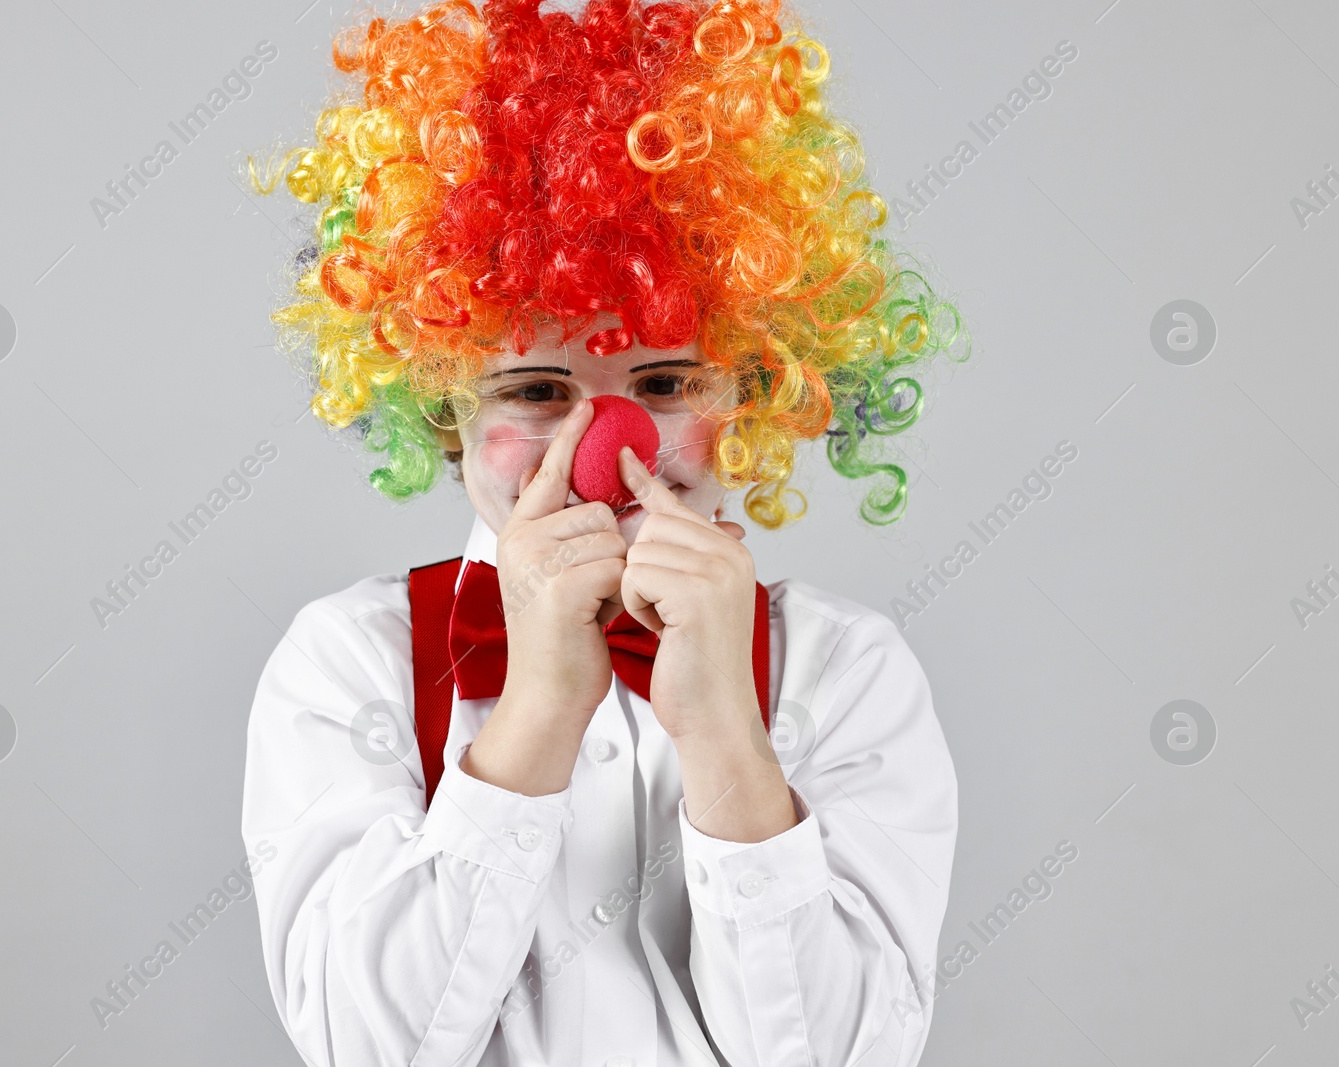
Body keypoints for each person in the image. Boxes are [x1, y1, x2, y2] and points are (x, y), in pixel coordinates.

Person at [241, 0, 966, 1063]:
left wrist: (725, 729)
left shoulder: (843, 665)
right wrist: (536, 707)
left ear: (756, 386)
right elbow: (369, 1046)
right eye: (535, 387)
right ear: (445, 413)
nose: (601, 443)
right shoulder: (349, 658)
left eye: (664, 380)